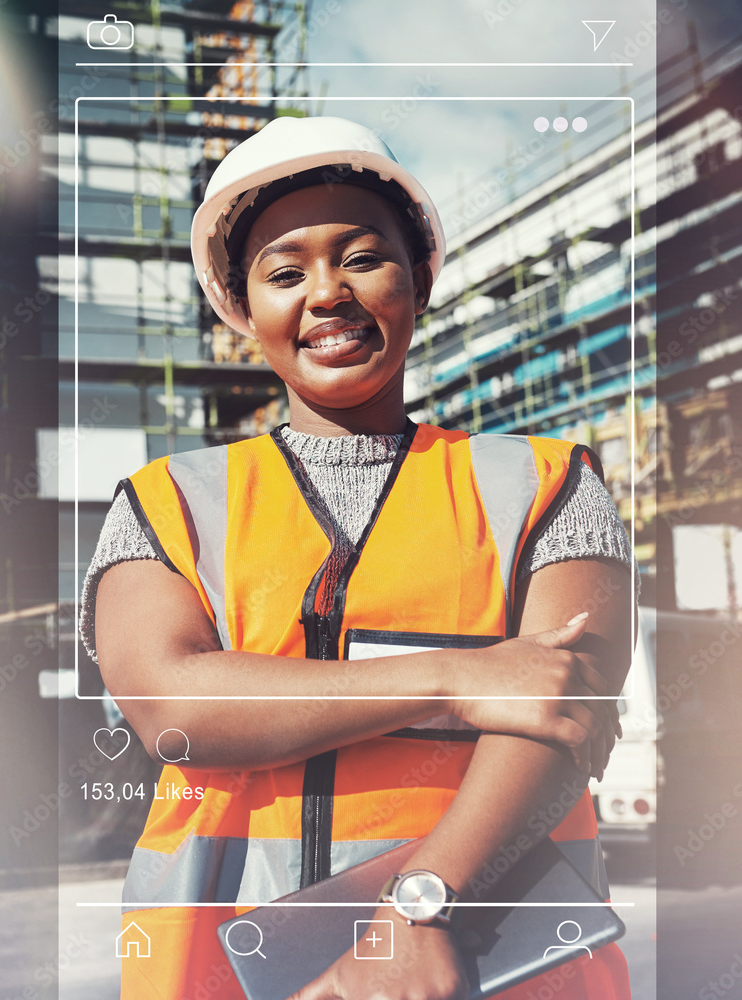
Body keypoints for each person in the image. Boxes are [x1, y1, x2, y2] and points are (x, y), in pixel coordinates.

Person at [80, 116, 636, 1000]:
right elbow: (174, 704)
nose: (327, 294)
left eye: (363, 257)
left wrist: (420, 909)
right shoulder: (167, 500)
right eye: (284, 272)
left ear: (418, 279)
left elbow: (565, 710)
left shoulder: (548, 485)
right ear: (241, 308)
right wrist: (460, 678)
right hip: (222, 973)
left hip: (485, 971)